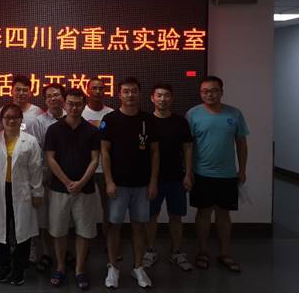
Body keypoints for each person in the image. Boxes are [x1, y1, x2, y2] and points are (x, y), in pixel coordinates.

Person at [100, 77, 159, 288]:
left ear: (139, 94)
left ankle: (138, 267)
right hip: (118, 185)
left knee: (139, 226)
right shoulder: (110, 119)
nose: (130, 95)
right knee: (114, 226)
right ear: (119, 95)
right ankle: (113, 268)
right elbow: (105, 152)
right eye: (126, 91)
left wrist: (153, 182)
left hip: (142, 185)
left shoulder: (148, 120)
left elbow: (155, 152)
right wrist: (108, 181)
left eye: (134, 91)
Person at [186, 75, 248, 273]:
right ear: (200, 93)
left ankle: (225, 253)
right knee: (203, 213)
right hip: (201, 173)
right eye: (205, 91)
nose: (209, 94)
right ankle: (202, 251)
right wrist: (188, 172)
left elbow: (241, 143)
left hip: (227, 174)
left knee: (223, 214)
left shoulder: (235, 114)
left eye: (214, 90)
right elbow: (188, 147)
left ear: (221, 92)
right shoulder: (192, 114)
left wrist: (242, 170)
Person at [45, 88, 100, 290]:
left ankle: (79, 269)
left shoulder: (92, 130)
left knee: (84, 231)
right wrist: (68, 181)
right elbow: (50, 158)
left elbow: (95, 159)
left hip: (85, 189)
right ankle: (60, 266)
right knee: (58, 230)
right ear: (64, 104)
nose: (74, 107)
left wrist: (81, 182)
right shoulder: (54, 130)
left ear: (84, 105)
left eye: (78, 104)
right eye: (70, 103)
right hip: (59, 189)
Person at [0, 104, 44, 285]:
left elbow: (36, 169)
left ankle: (19, 269)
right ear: (1, 120)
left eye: (15, 117)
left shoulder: (30, 141)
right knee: (0, 229)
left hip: (22, 191)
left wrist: (37, 192)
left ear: (21, 119)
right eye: (7, 117)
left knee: (22, 230)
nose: (11, 120)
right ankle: (3, 265)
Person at [143, 83, 193, 271]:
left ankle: (177, 252)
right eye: (159, 95)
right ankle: (149, 251)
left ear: (171, 98)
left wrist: (188, 174)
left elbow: (187, 149)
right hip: (152, 179)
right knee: (151, 216)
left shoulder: (180, 122)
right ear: (152, 98)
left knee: (176, 216)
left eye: (166, 95)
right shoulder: (146, 121)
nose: (162, 99)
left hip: (176, 177)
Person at [27, 83, 66, 271]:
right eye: (49, 96)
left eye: (57, 95)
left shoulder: (72, 118)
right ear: (45, 100)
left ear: (63, 97)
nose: (53, 99)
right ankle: (46, 253)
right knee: (44, 218)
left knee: (64, 216)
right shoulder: (38, 122)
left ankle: (64, 252)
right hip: (46, 177)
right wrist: (43, 174)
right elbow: (36, 152)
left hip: (68, 177)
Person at [81, 78, 114, 237]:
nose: (97, 91)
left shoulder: (111, 114)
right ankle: (85, 242)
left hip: (106, 169)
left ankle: (109, 242)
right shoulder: (80, 112)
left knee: (109, 208)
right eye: (94, 88)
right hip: (85, 168)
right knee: (83, 208)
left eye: (101, 88)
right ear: (87, 90)